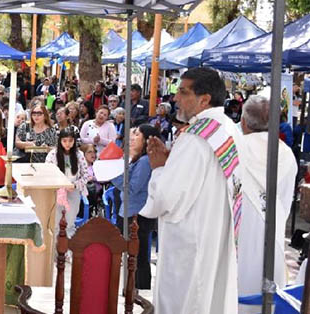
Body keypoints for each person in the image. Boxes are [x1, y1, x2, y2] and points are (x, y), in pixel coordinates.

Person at [140, 67, 245, 313]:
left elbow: (167, 197)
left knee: (188, 302)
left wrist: (158, 168)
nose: (175, 98)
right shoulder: (229, 129)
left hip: (191, 244)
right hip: (216, 235)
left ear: (204, 99)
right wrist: (171, 162)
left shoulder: (196, 137)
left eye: (183, 92)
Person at [236, 95, 297, 314]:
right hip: (273, 232)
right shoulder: (287, 154)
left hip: (237, 234)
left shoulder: (235, 148)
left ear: (243, 122)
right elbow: (286, 200)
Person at [111, 124, 160, 291]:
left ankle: (138, 290)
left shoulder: (145, 161)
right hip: (129, 211)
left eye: (137, 135)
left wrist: (113, 175)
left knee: (138, 254)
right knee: (133, 253)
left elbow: (132, 188)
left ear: (146, 139)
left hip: (137, 214)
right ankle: (131, 287)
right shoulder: (137, 159)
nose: (132, 138)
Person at [45, 126, 90, 237]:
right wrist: (58, 185)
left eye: (70, 141)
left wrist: (74, 185)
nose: (67, 144)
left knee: (70, 222)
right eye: (64, 141)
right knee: (55, 222)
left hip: (73, 191)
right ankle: (55, 251)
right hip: (56, 192)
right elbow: (46, 174)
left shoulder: (79, 155)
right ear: (60, 141)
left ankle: (68, 250)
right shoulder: (52, 155)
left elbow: (86, 175)